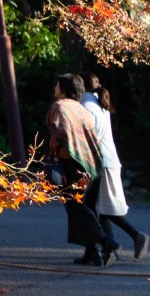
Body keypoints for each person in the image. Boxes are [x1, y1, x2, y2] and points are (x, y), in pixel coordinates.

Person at [82, 76, 146, 261]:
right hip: (109, 160)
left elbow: (89, 138)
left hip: (100, 162)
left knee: (99, 208)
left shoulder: (87, 107)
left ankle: (134, 237)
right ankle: (107, 250)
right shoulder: (99, 104)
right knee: (101, 207)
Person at [48, 74, 108, 265]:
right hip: (94, 163)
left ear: (63, 88)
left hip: (74, 163)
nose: (55, 86)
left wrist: (57, 150)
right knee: (87, 207)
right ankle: (93, 254)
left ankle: (106, 241)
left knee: (74, 205)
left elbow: (58, 132)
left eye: (57, 84)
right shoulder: (82, 109)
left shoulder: (60, 106)